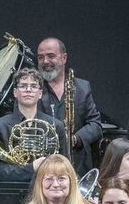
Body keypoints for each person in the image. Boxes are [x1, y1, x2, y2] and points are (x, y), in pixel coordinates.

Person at [35, 38, 105, 174]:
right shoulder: (33, 89)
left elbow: (95, 125)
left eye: (51, 56)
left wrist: (74, 139)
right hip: (43, 164)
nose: (45, 61)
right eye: (40, 57)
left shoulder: (82, 87)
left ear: (64, 58)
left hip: (77, 164)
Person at [0, 69, 67, 179]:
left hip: (46, 189)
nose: (28, 90)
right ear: (15, 92)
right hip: (12, 191)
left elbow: (64, 165)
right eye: (23, 86)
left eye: (34, 86)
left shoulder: (56, 126)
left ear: (40, 94)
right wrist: (31, 168)